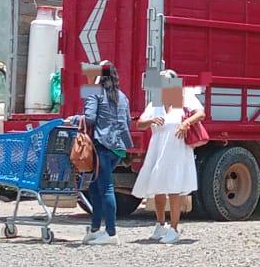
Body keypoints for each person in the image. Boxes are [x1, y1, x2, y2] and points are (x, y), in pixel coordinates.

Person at [133, 69, 204, 243]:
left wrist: (186, 123)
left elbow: (200, 113)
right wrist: (151, 121)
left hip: (177, 150)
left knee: (174, 188)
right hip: (158, 149)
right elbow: (140, 123)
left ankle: (174, 228)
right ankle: (160, 224)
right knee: (158, 187)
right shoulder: (156, 103)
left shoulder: (183, 98)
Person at [78, 60, 133, 246]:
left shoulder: (94, 92)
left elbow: (89, 118)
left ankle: (111, 233)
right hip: (118, 148)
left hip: (101, 146)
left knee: (106, 188)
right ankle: (95, 229)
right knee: (96, 186)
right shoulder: (123, 97)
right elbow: (127, 122)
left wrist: (74, 119)